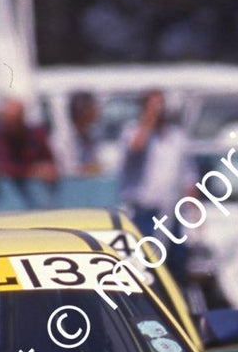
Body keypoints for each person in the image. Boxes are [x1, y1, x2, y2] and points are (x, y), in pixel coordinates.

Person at [119, 90, 194, 277]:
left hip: (170, 211)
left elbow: (187, 174)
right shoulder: (132, 132)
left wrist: (193, 209)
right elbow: (135, 148)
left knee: (176, 263)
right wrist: (148, 121)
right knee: (146, 264)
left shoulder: (176, 137)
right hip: (144, 211)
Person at [0, 98, 57, 182]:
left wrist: (47, 169)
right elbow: (2, 167)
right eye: (8, 121)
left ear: (22, 118)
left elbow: (49, 162)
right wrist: (32, 170)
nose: (11, 127)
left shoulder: (36, 135)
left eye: (14, 121)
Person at [54, 91, 103, 176]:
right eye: (93, 107)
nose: (97, 112)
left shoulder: (91, 135)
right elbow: (68, 171)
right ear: (84, 112)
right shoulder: (62, 139)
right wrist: (88, 169)